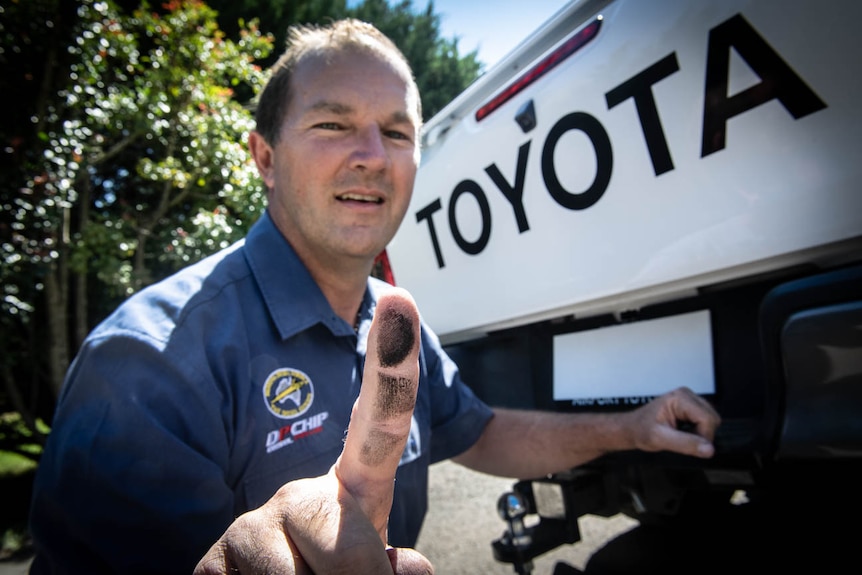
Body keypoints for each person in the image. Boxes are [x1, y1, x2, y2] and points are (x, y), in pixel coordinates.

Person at [28, 18, 721, 575]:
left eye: (397, 132)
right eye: (333, 124)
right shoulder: (145, 365)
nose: (372, 154)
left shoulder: (393, 319)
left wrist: (630, 428)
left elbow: (478, 430)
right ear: (264, 158)